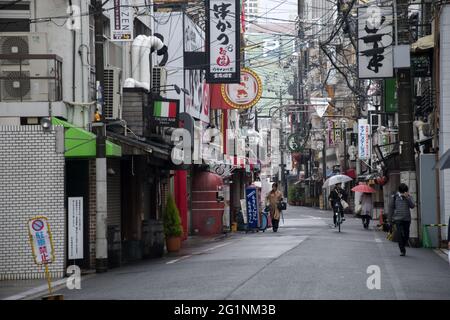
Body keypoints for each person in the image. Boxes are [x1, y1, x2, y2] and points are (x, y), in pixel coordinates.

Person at [389, 183, 415, 256]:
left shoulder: (409, 197)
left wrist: (407, 197)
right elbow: (391, 208)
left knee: (406, 235)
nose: (404, 193)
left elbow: (412, 206)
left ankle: (403, 245)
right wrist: (390, 220)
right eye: (403, 192)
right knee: (399, 234)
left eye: (405, 192)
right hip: (398, 219)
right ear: (400, 191)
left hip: (407, 219)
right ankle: (402, 250)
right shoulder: (395, 197)